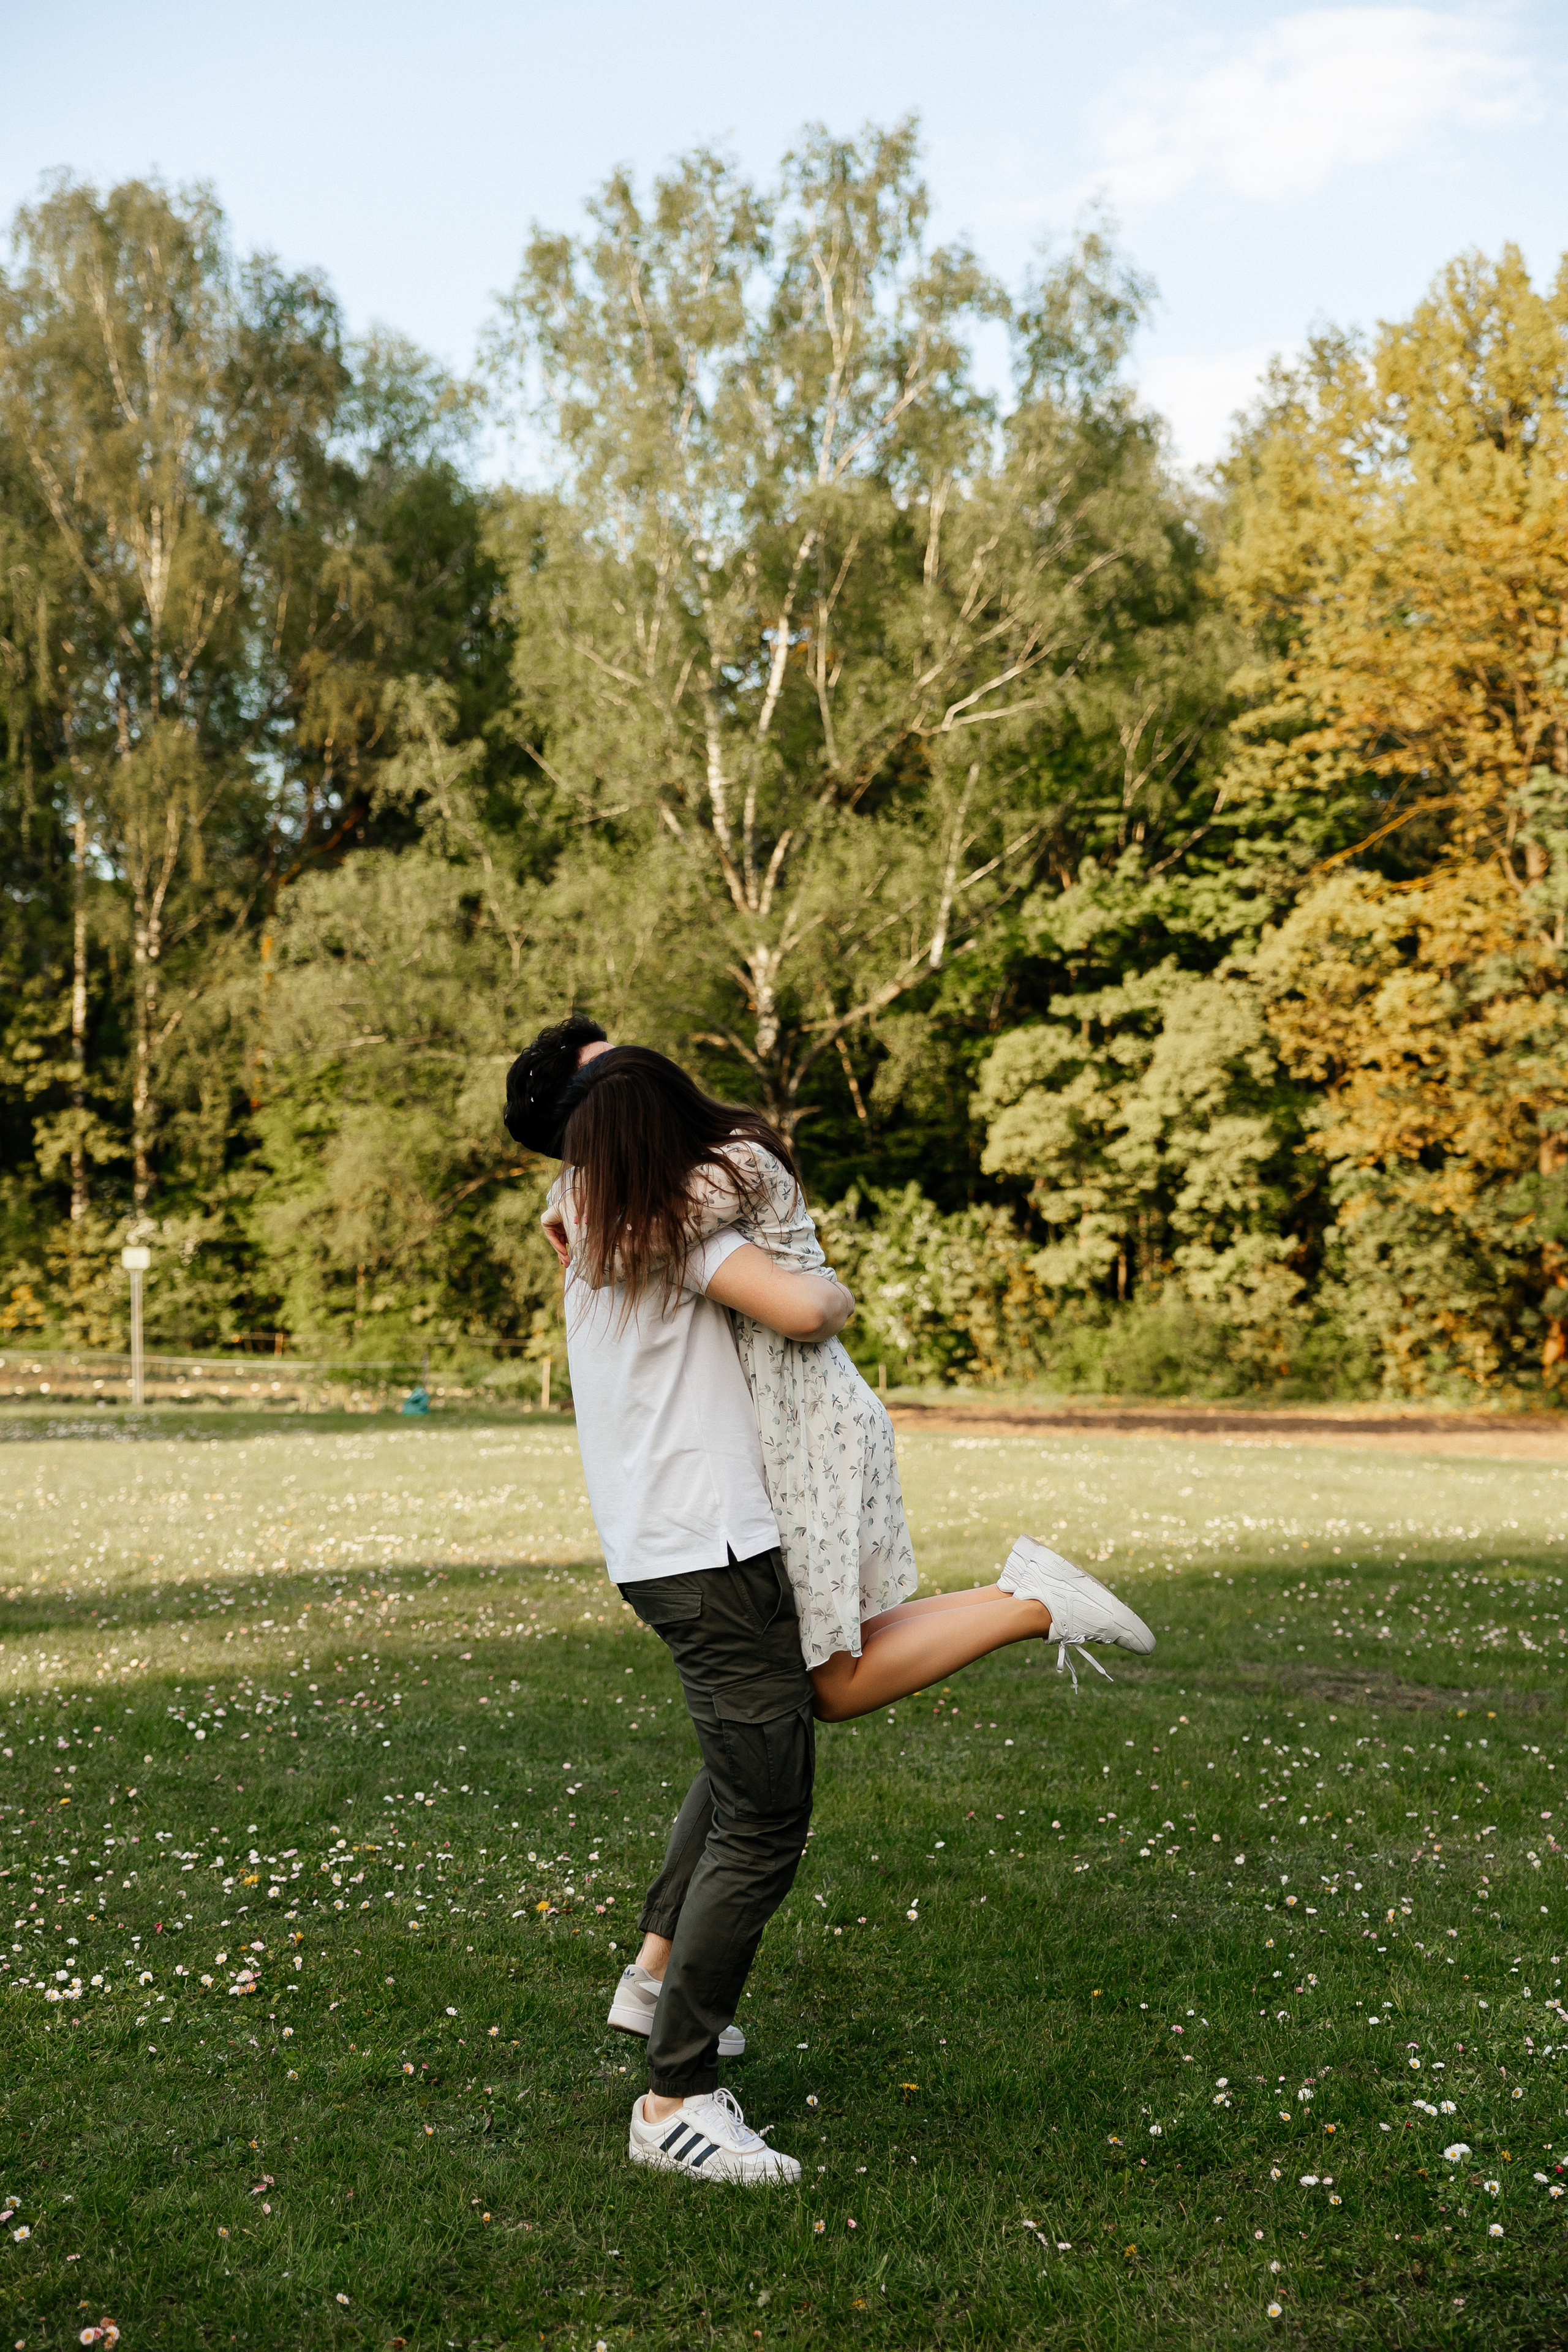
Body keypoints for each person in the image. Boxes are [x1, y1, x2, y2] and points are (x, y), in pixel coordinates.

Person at [519, 1025, 1155, 2186]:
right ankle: (675, 2100)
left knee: (763, 1733)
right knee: (768, 1811)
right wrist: (835, 1285)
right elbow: (808, 1312)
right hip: (711, 1549)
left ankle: (657, 1975)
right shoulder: (680, 1236)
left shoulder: (604, 1220)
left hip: (677, 1547)